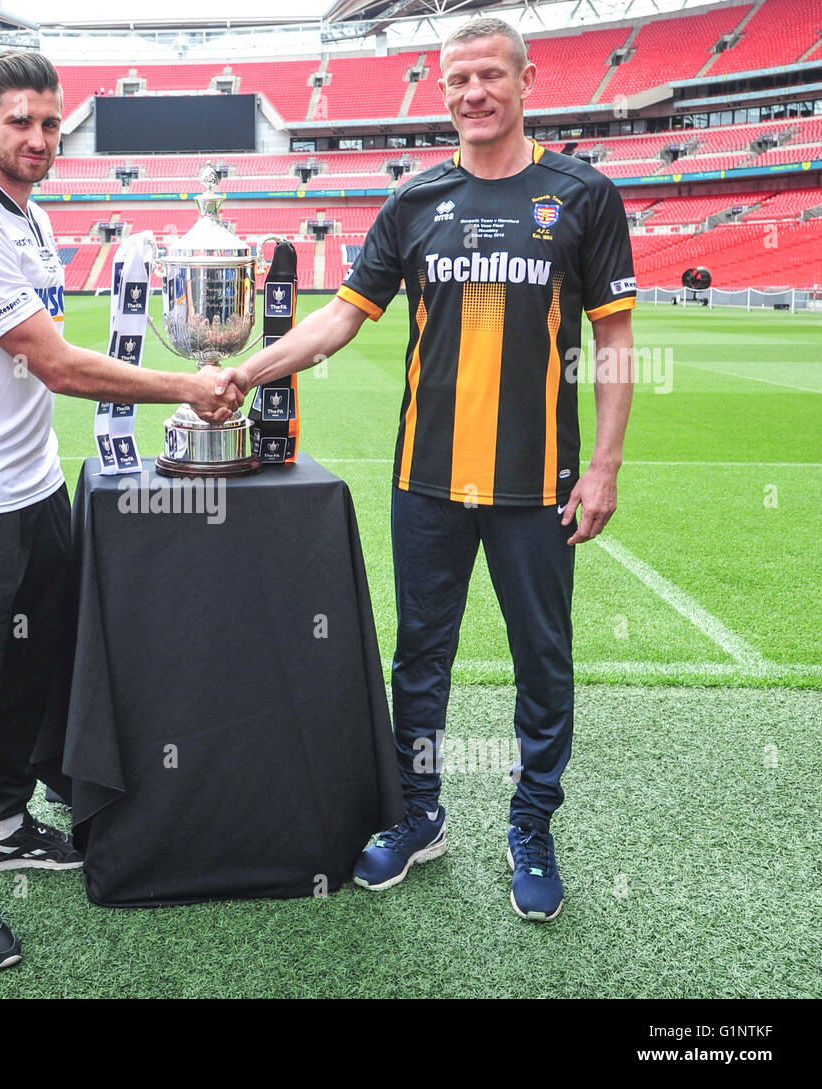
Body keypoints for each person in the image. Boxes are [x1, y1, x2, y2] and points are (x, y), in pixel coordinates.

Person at [217, 17, 635, 922]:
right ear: (442, 92)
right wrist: (245, 368)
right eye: (456, 81)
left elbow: (615, 342)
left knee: (543, 661)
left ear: (526, 81)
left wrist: (602, 467)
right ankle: (421, 812)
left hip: (539, 486)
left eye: (490, 75)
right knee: (421, 658)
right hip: (428, 480)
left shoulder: (582, 195)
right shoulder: (415, 201)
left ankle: (531, 823)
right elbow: (343, 316)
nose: (472, 93)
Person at [0, 49, 241, 970]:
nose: (38, 139)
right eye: (20, 121)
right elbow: (55, 364)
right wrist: (183, 381)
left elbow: (57, 349)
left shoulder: (35, 215)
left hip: (36, 487)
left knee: (34, 669)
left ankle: (9, 819)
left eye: (51, 123)